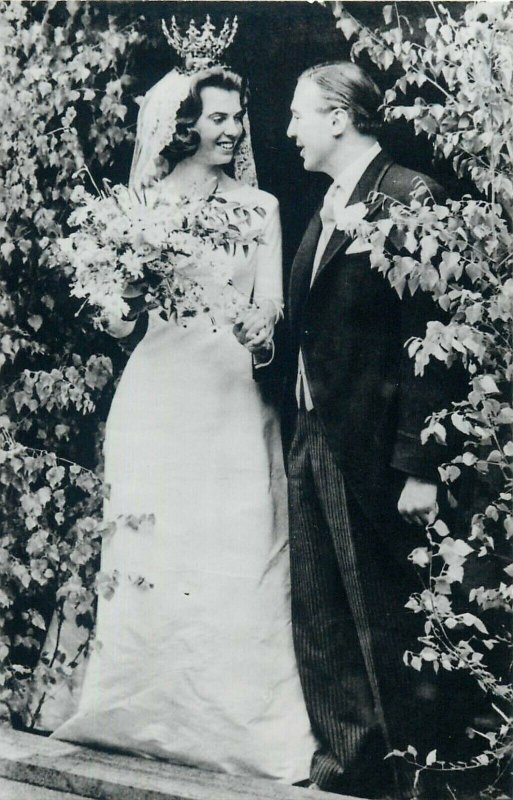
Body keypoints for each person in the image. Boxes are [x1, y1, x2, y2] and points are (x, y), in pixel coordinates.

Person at [51, 63, 316, 783]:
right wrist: (116, 306)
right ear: (184, 125)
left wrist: (258, 332)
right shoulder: (143, 205)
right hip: (159, 396)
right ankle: (130, 716)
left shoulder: (260, 207)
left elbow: (270, 314)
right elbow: (120, 322)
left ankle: (241, 731)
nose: (232, 131)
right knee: (153, 549)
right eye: (218, 118)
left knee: (234, 545)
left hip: (229, 394)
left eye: (237, 118)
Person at [283, 61, 453, 799]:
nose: (287, 130)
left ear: (337, 116)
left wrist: (421, 465)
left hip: (374, 444)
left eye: (298, 114)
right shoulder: (326, 203)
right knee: (320, 611)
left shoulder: (409, 197)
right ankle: (346, 766)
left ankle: (414, 775)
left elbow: (435, 338)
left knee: (382, 611)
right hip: (313, 432)